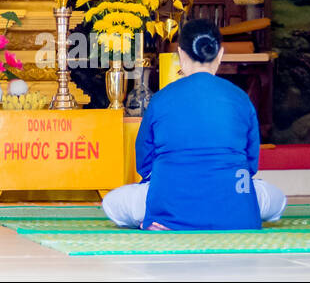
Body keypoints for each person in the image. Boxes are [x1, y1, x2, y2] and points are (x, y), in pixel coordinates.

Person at [102, 18, 287, 230]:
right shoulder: (240, 98)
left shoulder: (162, 98)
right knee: (277, 200)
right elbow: (251, 164)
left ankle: (161, 220)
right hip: (234, 206)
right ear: (220, 54)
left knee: (112, 203)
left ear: (181, 55)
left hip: (172, 205)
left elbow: (145, 165)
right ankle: (234, 215)